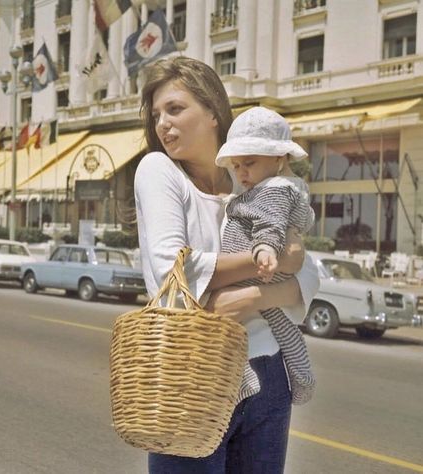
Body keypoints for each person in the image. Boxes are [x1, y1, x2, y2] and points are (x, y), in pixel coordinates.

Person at [134, 56, 319, 474]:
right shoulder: (158, 170)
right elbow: (173, 270)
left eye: (176, 109)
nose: (163, 123)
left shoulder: (250, 175)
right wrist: (271, 261)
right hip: (193, 376)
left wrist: (253, 294)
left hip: (267, 373)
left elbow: (308, 269)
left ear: (214, 112)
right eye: (157, 114)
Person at [216, 106, 316, 405]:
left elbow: (269, 223)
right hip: (264, 270)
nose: (241, 172)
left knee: (224, 321)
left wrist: (264, 249)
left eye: (249, 162)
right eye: (236, 166)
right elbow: (299, 219)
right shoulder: (283, 186)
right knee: (281, 325)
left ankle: (244, 376)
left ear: (279, 157)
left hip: (257, 266)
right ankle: (302, 375)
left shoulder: (273, 189)